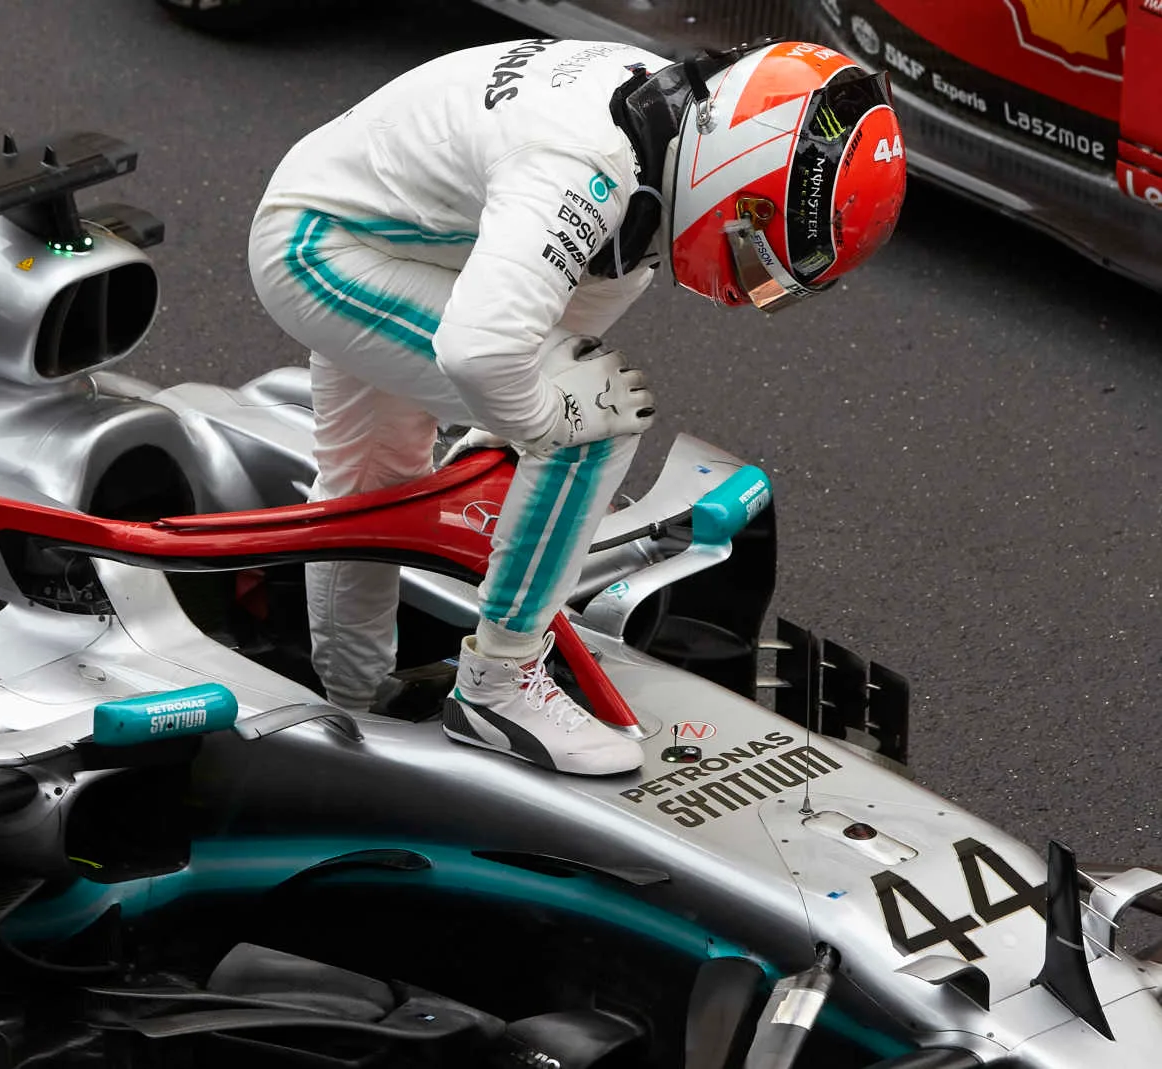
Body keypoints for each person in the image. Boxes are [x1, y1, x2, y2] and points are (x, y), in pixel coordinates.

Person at [247, 36, 907, 775]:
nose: (755, 281)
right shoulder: (588, 170)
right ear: (738, 172)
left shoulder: (673, 127)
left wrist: (503, 418)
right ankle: (499, 686)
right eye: (763, 245)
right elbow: (481, 350)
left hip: (375, 219)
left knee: (372, 486)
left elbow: (554, 306)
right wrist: (542, 421)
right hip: (328, 248)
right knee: (598, 419)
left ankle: (355, 719)